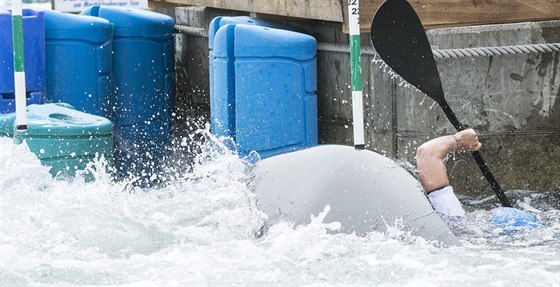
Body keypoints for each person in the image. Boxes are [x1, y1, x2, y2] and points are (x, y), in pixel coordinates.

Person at [415, 129, 541, 233]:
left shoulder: (454, 222)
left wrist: (458, 141)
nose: (481, 214)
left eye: (488, 216)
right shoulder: (467, 231)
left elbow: (427, 153)